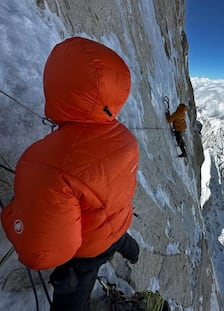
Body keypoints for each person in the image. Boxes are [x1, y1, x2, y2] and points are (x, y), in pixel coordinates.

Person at [1, 37, 140, 311]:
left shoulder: (46, 163)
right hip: (119, 226)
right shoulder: (126, 139)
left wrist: (10, 215)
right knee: (116, 241)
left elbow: (42, 253)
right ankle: (132, 252)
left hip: (89, 252)